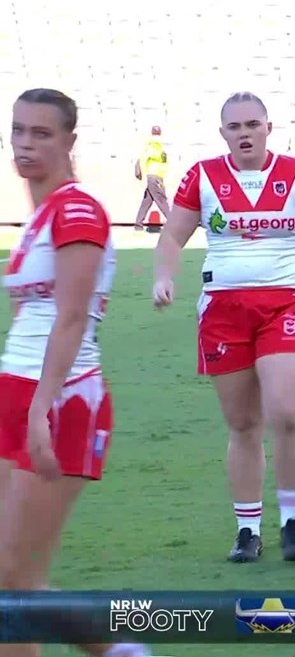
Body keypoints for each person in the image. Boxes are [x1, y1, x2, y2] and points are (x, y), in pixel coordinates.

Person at [152, 91, 295, 564]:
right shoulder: (202, 176)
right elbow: (174, 233)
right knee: (242, 423)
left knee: (285, 411)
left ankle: (292, 522)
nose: (245, 133)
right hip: (222, 311)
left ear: (269, 128)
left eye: (253, 124)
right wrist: (164, 276)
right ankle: (247, 529)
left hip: (285, 305)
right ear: (223, 134)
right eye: (235, 127)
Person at [0, 88, 150, 657]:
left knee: (18, 580)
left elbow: (70, 319)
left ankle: (121, 651)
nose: (25, 143)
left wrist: (40, 408)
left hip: (61, 399)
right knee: (8, 584)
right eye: (17, 131)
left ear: (68, 141)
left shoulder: (78, 209)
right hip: (17, 392)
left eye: (41, 133)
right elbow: (26, 320)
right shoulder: (39, 216)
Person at [133, 124, 170, 231]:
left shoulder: (150, 144)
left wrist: (139, 170)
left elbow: (143, 158)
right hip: (157, 176)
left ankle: (138, 225)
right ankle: (173, 222)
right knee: (162, 200)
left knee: (147, 201)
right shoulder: (162, 145)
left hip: (151, 175)